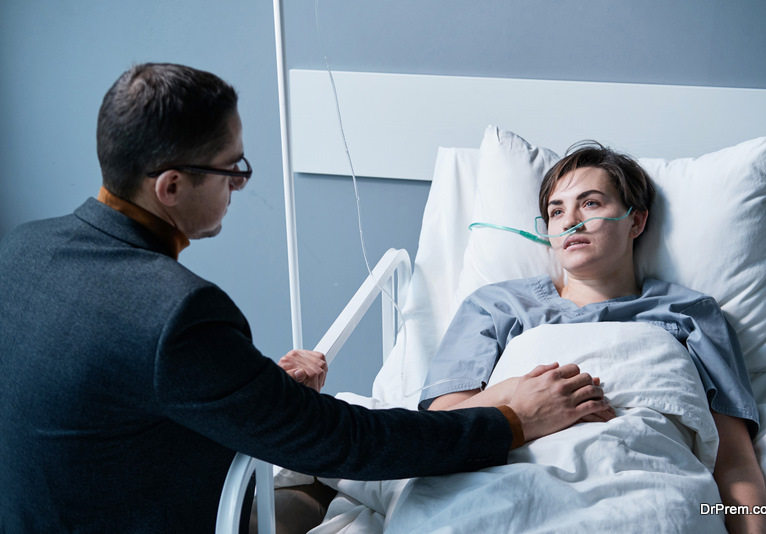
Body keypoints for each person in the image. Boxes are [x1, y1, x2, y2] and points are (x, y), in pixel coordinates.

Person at [0, 63, 613, 533]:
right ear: (170, 186)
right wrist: (510, 418)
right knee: (322, 495)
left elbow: (110, 389)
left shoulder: (21, 251)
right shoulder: (177, 312)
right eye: (232, 167)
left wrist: (251, 386)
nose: (242, 182)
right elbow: (348, 441)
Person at [421, 142, 766, 533]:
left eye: (590, 204)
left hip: (652, 490)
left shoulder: (692, 313)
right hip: (510, 486)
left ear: (636, 222)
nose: (570, 221)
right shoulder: (497, 306)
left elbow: (735, 460)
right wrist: (519, 402)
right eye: (556, 211)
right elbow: (438, 428)